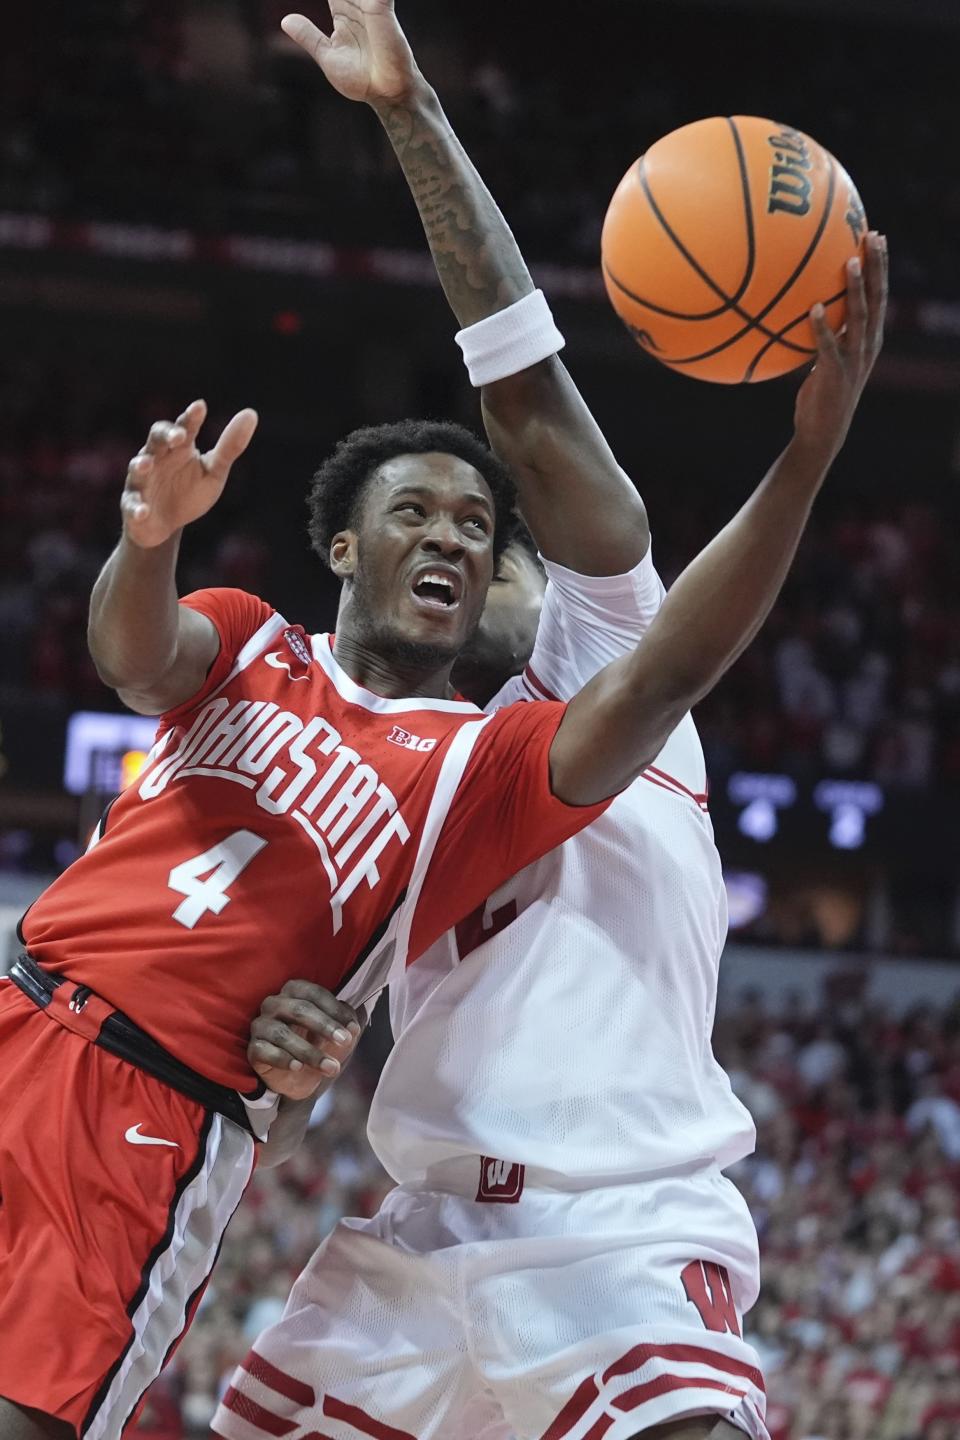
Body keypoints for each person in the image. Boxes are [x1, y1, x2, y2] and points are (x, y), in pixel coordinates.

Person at [211, 6, 887, 1440]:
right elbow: (293, 1029)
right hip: (418, 1244)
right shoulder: (376, 781)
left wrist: (413, 117)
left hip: (623, 1231)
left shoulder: (604, 659)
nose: (477, 544)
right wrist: (294, 1046)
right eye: (436, 524)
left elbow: (520, 398)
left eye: (495, 531)